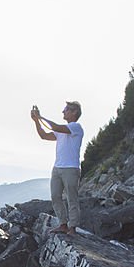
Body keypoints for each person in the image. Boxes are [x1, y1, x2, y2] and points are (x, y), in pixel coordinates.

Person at [32, 101, 84, 236]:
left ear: (74, 112)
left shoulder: (76, 127)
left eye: (66, 109)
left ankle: (72, 227)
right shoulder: (61, 131)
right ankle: (63, 224)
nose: (63, 112)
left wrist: (40, 117)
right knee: (55, 196)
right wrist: (36, 121)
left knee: (72, 198)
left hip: (71, 168)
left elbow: (55, 126)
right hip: (57, 168)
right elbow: (43, 135)